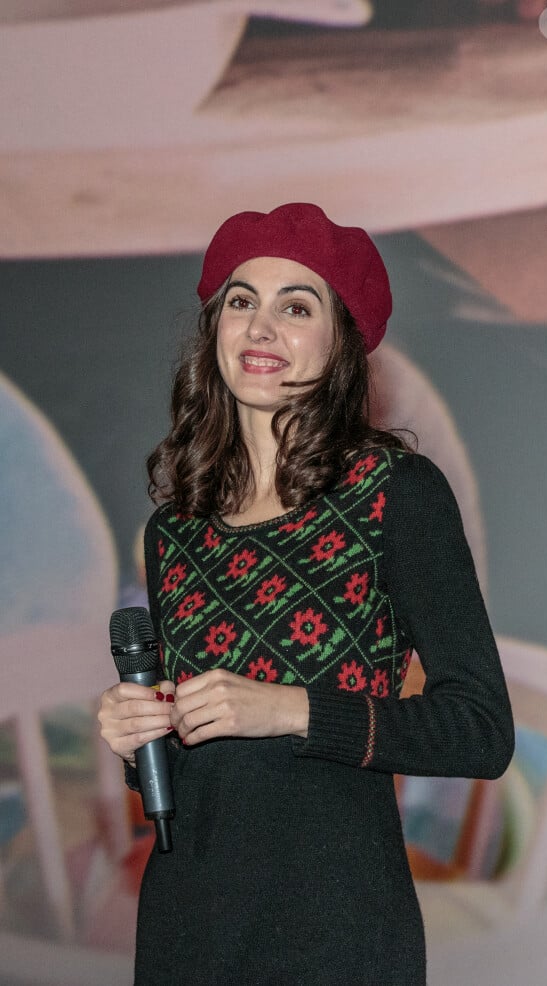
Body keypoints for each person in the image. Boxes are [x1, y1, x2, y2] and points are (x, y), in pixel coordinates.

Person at [98, 202, 514, 986]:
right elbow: (202, 774)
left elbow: (479, 730)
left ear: (342, 341)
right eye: (241, 302)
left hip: (336, 927)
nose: (261, 327)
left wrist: (289, 708)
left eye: (296, 306)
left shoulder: (395, 493)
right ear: (214, 330)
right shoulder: (174, 532)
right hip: (188, 926)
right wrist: (139, 740)